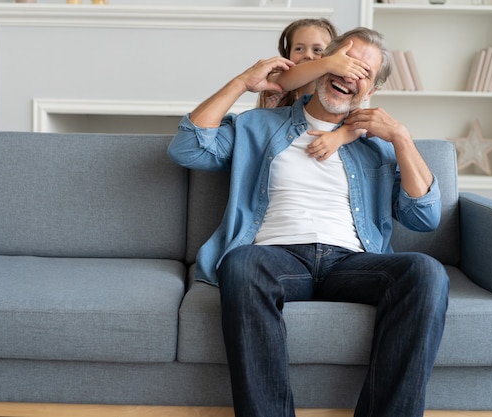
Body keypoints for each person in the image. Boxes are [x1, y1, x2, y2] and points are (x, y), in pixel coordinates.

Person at [168, 27, 449, 417]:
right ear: (321, 66)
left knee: (426, 272)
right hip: (276, 258)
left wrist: (401, 138)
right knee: (241, 263)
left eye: (364, 72)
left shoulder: (378, 144)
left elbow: (424, 217)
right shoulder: (258, 126)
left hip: (352, 263)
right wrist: (241, 82)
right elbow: (187, 148)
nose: (351, 74)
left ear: (371, 91)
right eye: (346, 61)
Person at [259, 18, 369, 161]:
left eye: (317, 50)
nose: (308, 55)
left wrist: (339, 137)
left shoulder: (337, 93)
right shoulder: (277, 81)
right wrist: (328, 63)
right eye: (299, 49)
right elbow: (283, 82)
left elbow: (360, 125)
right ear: (288, 54)